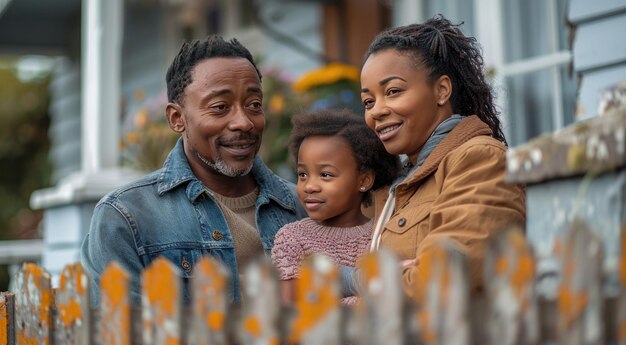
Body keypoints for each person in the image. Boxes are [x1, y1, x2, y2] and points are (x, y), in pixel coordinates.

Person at [81, 35, 306, 306]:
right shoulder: (126, 218)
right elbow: (120, 335)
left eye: (254, 105)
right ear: (177, 118)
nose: (244, 122)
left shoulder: (302, 206)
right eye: (220, 107)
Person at [359, 15, 526, 300]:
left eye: (393, 91)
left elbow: (446, 278)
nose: (377, 111)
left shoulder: (479, 160)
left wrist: (367, 280)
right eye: (368, 101)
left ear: (441, 90)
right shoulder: (404, 181)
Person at [271, 109, 400, 305]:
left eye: (326, 175)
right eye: (302, 174)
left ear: (363, 180)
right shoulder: (292, 239)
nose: (310, 186)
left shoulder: (383, 235)